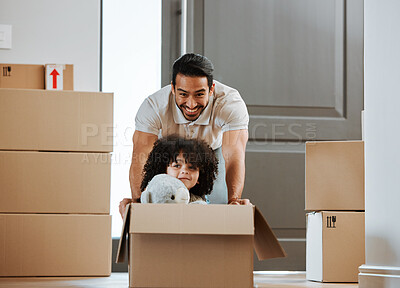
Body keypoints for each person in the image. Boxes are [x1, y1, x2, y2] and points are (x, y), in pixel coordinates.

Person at [119, 53, 250, 217]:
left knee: (221, 206)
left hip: (212, 151)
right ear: (173, 88)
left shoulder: (230, 104)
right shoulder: (153, 106)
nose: (191, 104)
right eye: (183, 94)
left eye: (199, 94)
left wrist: (234, 201)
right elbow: (141, 153)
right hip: (170, 155)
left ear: (211, 89)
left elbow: (233, 155)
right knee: (158, 200)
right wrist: (137, 203)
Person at [140, 135, 218, 203]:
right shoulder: (154, 196)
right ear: (164, 170)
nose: (184, 171)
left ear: (199, 177)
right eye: (177, 166)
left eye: (191, 167)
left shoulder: (199, 202)